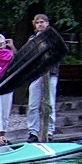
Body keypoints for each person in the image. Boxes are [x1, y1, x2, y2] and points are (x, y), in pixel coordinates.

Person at [26, 14, 60, 142]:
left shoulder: (53, 37)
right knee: (33, 104)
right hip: (36, 74)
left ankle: (49, 131)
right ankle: (33, 132)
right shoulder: (32, 39)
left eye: (42, 22)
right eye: (37, 22)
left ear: (47, 23)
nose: (40, 24)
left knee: (50, 103)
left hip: (50, 73)